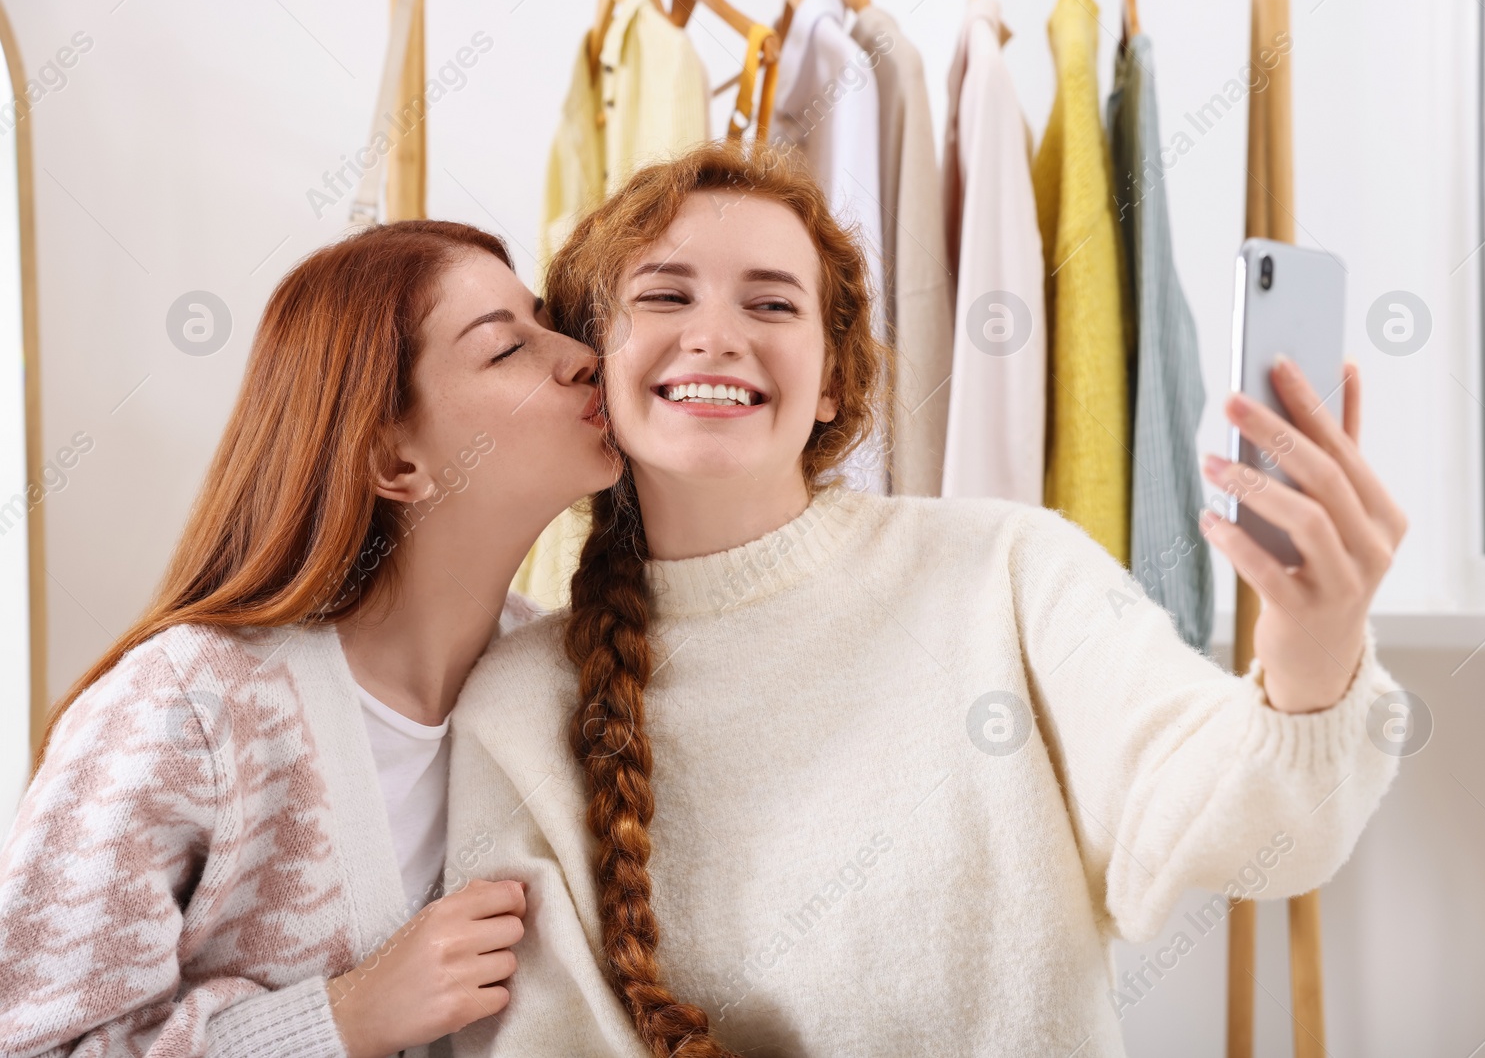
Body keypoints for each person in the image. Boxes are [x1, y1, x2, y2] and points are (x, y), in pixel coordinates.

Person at [445, 142, 1410, 1058]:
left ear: (832, 379)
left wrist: (1313, 648)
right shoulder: (520, 710)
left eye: (773, 305)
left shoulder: (1011, 571)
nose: (715, 335)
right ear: (589, 372)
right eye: (664, 295)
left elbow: (1254, 833)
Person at [0, 220, 620, 1057]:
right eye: (506, 348)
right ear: (394, 463)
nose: (583, 354)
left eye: (548, 321)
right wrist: (345, 1018)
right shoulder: (186, 706)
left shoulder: (559, 682)